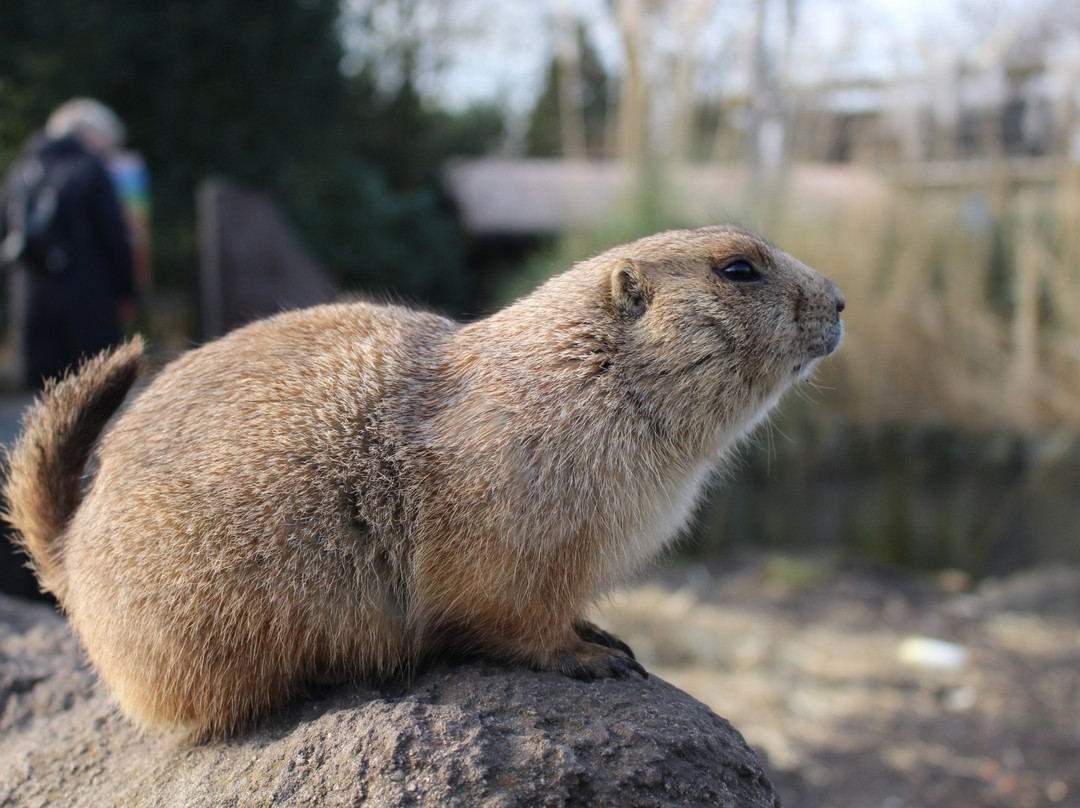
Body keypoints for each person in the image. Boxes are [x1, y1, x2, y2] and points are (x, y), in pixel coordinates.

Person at [0, 98, 136, 388]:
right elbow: (113, 236)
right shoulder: (90, 169)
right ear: (90, 134)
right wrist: (126, 289)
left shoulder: (21, 170)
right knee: (93, 392)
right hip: (86, 302)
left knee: (40, 399)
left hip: (29, 299)